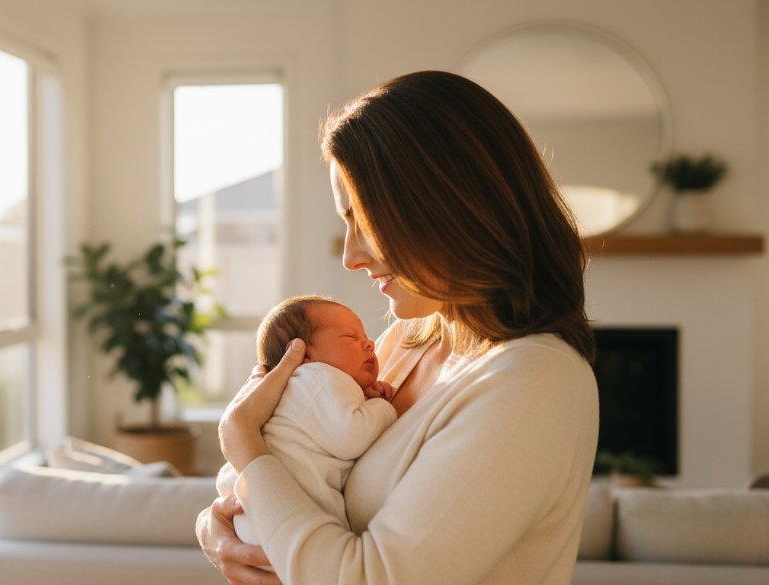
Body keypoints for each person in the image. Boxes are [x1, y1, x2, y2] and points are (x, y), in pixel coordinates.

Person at [195, 70, 599, 585]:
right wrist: (216, 530)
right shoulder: (407, 341)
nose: (350, 256)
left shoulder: (534, 382)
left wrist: (242, 443)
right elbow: (298, 473)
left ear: (444, 207)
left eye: (363, 220)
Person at [216, 295, 397, 549]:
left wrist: (364, 398)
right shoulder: (319, 376)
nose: (369, 344)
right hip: (281, 516)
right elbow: (350, 436)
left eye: (365, 337)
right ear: (305, 354)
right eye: (350, 337)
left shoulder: (294, 387)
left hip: (253, 514)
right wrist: (383, 407)